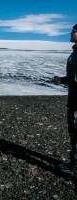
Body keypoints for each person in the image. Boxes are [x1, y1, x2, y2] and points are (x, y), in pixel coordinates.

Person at [53, 24, 77, 174]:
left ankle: (75, 165)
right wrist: (62, 80)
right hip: (74, 99)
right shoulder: (75, 53)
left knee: (75, 131)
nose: (71, 33)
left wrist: (63, 80)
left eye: (74, 31)